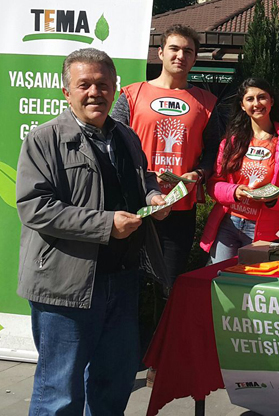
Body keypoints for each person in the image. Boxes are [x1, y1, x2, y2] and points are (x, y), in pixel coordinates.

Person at [15, 48, 170, 415]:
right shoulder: (44, 139)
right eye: (84, 85)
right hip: (65, 286)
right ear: (66, 92)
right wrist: (106, 225)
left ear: (114, 88)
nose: (94, 93)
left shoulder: (126, 136)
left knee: (113, 385)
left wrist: (153, 196)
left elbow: (141, 178)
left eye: (102, 84)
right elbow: (35, 206)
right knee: (59, 393)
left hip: (122, 279)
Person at [112, 24, 222, 285]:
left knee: (169, 286)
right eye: (174, 48)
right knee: (129, 284)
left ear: (194, 58)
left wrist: (199, 173)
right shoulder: (132, 94)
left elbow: (215, 151)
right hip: (135, 203)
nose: (180, 56)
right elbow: (113, 144)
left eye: (188, 51)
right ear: (160, 53)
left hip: (179, 208)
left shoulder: (207, 103)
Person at [199, 78, 279, 263]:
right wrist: (234, 191)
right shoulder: (231, 142)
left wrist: (273, 199)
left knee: (255, 279)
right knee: (220, 275)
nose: (256, 104)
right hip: (228, 224)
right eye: (250, 99)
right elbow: (214, 184)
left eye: (262, 97)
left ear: (271, 101)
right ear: (242, 105)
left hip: (265, 229)